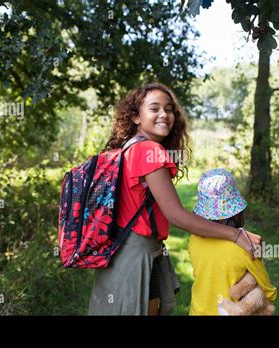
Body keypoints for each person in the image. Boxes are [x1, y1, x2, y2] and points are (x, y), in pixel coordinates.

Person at [88, 82, 262, 315]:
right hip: (135, 256)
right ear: (136, 117)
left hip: (124, 252)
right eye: (154, 108)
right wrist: (235, 234)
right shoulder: (148, 151)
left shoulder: (130, 148)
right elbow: (176, 215)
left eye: (169, 109)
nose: (164, 115)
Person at [188, 169, 277, 315]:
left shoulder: (194, 240)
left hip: (198, 310)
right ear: (236, 212)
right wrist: (270, 296)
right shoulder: (245, 246)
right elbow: (263, 281)